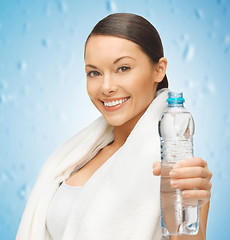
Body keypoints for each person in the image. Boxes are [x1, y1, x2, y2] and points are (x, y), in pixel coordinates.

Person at [16, 13, 212, 240]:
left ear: (159, 70)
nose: (106, 87)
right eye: (94, 73)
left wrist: (189, 205)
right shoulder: (78, 155)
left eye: (123, 68)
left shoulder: (175, 169)